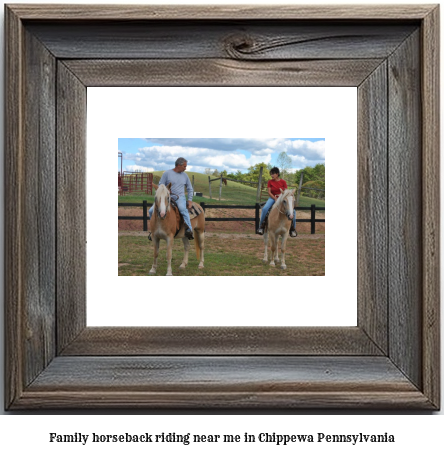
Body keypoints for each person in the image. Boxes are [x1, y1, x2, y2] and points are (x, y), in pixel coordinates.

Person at [149, 157, 195, 240]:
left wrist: (190, 200)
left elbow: (190, 188)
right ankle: (153, 229)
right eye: (184, 166)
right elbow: (160, 186)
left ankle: (189, 229)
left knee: (182, 209)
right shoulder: (167, 174)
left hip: (179, 197)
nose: (185, 168)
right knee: (151, 210)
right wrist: (166, 190)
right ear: (179, 165)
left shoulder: (185, 176)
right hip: (166, 198)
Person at [256, 167, 297, 237]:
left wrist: (281, 198)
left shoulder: (283, 182)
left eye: (273, 174)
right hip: (273, 197)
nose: (272, 175)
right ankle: (261, 226)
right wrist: (274, 198)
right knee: (265, 208)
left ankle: (292, 229)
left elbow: (286, 192)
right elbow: (269, 192)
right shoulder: (270, 182)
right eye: (271, 174)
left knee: (293, 211)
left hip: (282, 198)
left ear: (277, 174)